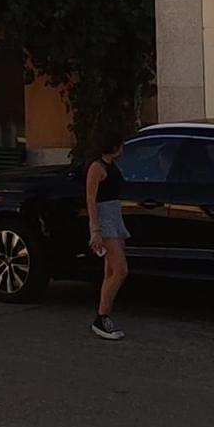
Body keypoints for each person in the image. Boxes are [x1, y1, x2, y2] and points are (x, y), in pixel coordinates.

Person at [85, 130, 130, 340]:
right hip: (105, 221)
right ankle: (101, 317)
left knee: (110, 271)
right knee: (121, 270)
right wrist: (95, 230)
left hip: (114, 216)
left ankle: (104, 316)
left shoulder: (111, 166)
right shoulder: (97, 168)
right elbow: (90, 200)